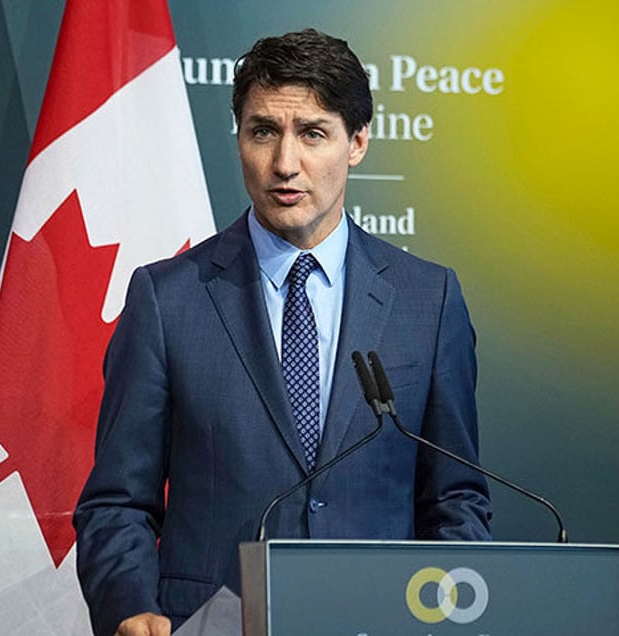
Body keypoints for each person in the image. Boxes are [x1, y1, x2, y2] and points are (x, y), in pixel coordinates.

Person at [73, 28, 492, 636]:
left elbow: (455, 500)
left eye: (313, 133)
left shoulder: (428, 300)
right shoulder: (168, 298)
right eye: (262, 131)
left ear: (358, 142)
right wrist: (131, 607)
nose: (284, 163)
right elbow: (117, 501)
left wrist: (454, 617)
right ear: (239, 137)